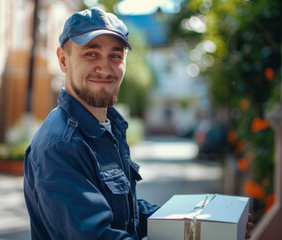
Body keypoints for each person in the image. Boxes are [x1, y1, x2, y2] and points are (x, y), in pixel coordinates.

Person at [23, 7, 254, 240]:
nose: (105, 68)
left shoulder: (109, 128)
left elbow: (127, 213)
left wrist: (209, 225)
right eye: (91, 54)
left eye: (115, 56)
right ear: (63, 60)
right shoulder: (61, 145)